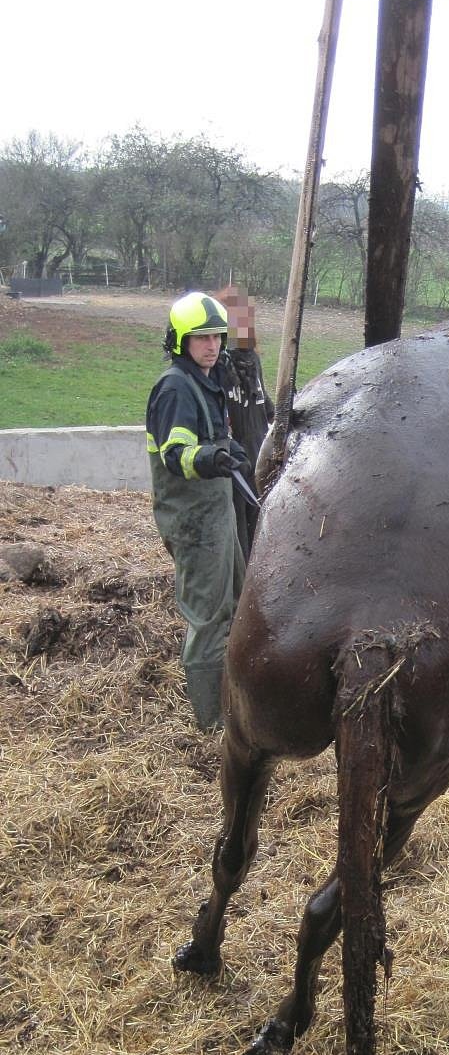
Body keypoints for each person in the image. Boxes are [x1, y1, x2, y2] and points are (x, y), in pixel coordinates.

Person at [145, 291, 254, 731]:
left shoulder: (208, 380)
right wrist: (209, 458)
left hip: (218, 514)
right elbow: (176, 453)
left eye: (217, 336)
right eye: (201, 338)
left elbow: (210, 438)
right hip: (193, 520)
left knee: (237, 604)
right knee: (209, 618)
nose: (212, 346)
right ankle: (213, 725)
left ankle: (238, 703)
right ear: (180, 341)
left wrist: (229, 449)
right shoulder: (175, 387)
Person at [217, 286, 273, 560]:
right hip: (235, 466)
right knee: (240, 535)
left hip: (260, 458)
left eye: (245, 319)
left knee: (261, 527)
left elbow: (266, 406)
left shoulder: (252, 359)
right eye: (233, 318)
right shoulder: (217, 367)